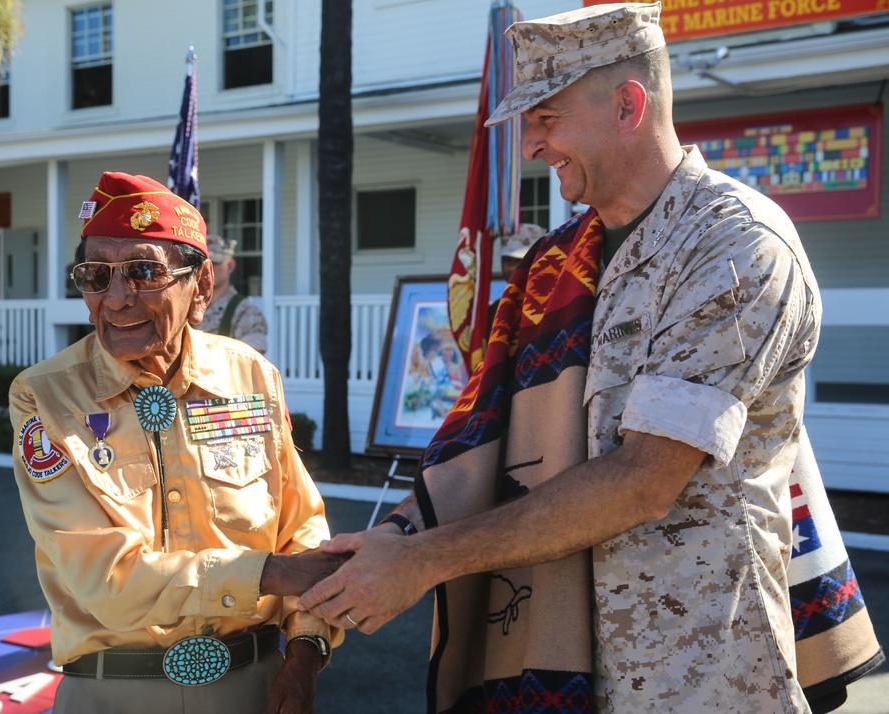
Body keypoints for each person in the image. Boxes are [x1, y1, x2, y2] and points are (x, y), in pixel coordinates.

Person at [299, 4, 882, 713]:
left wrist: (422, 561)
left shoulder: (734, 247)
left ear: (628, 106)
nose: (531, 145)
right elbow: (489, 439)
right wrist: (387, 545)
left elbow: (645, 480)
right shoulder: (558, 262)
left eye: (546, 118)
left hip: (697, 671)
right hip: (556, 650)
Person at [9, 171, 342, 714]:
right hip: (110, 693)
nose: (116, 299)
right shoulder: (45, 396)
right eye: (96, 275)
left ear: (202, 285)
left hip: (255, 686)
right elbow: (100, 576)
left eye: (142, 272)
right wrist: (271, 574)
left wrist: (305, 649)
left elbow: (299, 526)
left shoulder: (250, 376)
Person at [194, 233, 268, 354]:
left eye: (214, 263)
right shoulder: (186, 307)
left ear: (230, 266)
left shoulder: (246, 313)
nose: (206, 269)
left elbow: (249, 362)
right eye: (201, 264)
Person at [487, 223, 546, 327]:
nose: (511, 268)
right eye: (507, 260)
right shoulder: (496, 310)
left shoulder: (550, 305)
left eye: (519, 260)